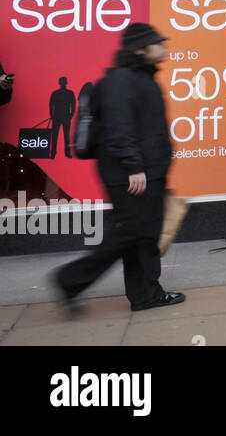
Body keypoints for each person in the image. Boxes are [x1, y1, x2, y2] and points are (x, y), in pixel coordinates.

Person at [54, 23, 186, 314]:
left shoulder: (138, 79)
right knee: (132, 234)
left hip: (143, 172)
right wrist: (134, 166)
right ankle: (70, 279)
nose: (164, 46)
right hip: (132, 174)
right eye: (157, 43)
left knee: (141, 236)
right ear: (140, 49)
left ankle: (145, 295)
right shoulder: (122, 82)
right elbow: (118, 128)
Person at [49, 77, 77, 159]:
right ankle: (54, 152)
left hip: (63, 117)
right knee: (57, 136)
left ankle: (63, 152)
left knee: (65, 136)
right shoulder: (59, 93)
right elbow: (51, 104)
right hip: (59, 117)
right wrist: (52, 115)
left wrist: (71, 115)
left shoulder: (65, 93)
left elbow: (73, 104)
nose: (63, 83)